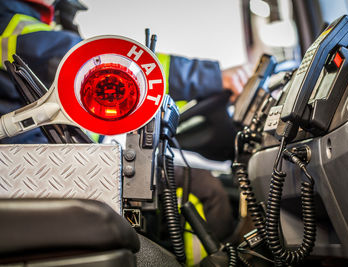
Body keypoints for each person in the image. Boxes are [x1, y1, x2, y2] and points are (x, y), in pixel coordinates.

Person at [0, 0, 248, 265]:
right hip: (36, 163)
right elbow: (116, 64)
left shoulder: (34, 20)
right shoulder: (9, 21)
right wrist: (213, 77)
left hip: (57, 157)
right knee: (200, 187)